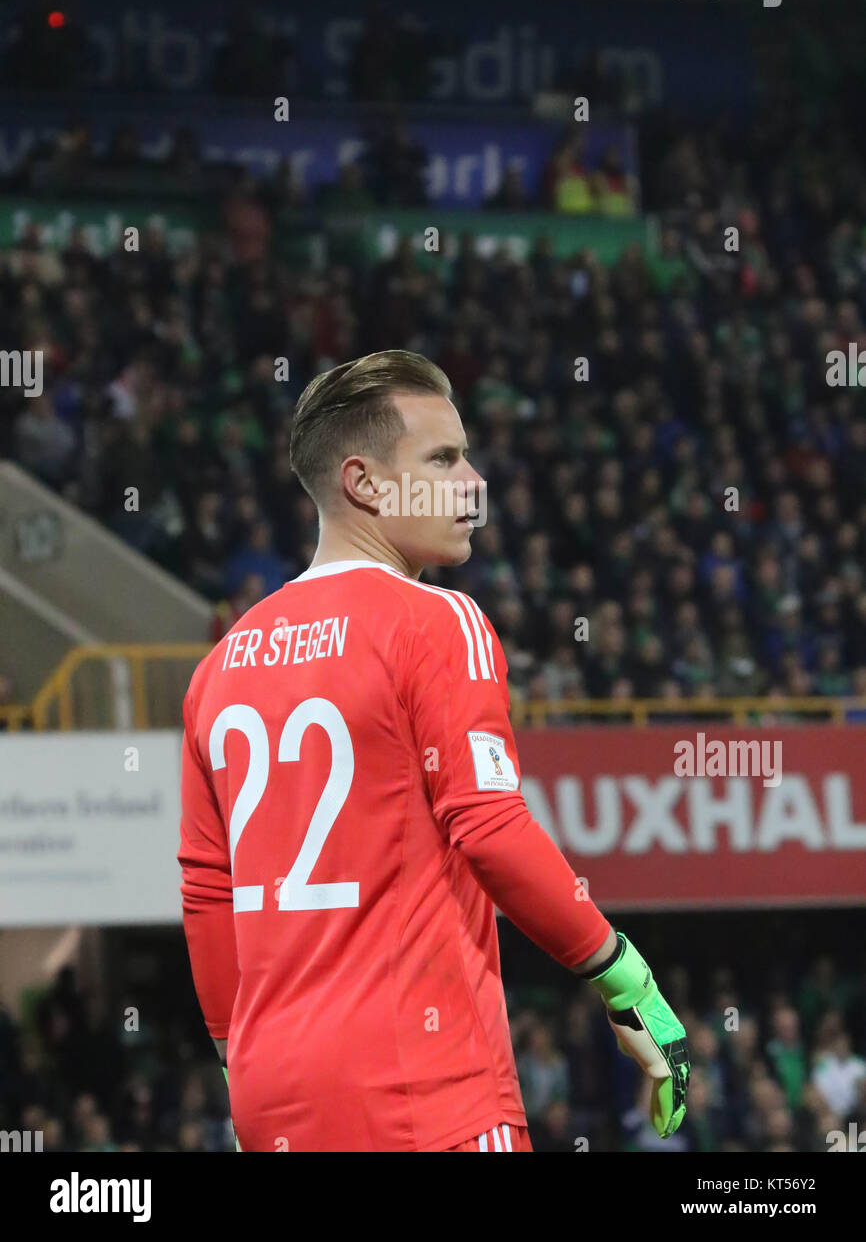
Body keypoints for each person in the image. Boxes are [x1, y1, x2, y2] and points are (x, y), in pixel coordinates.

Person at [178, 349, 689, 1152]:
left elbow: (210, 894)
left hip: (271, 1099)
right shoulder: (437, 622)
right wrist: (623, 976)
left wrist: (234, 1062)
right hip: (426, 1088)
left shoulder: (218, 670)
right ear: (365, 483)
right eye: (444, 459)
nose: (474, 482)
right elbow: (489, 827)